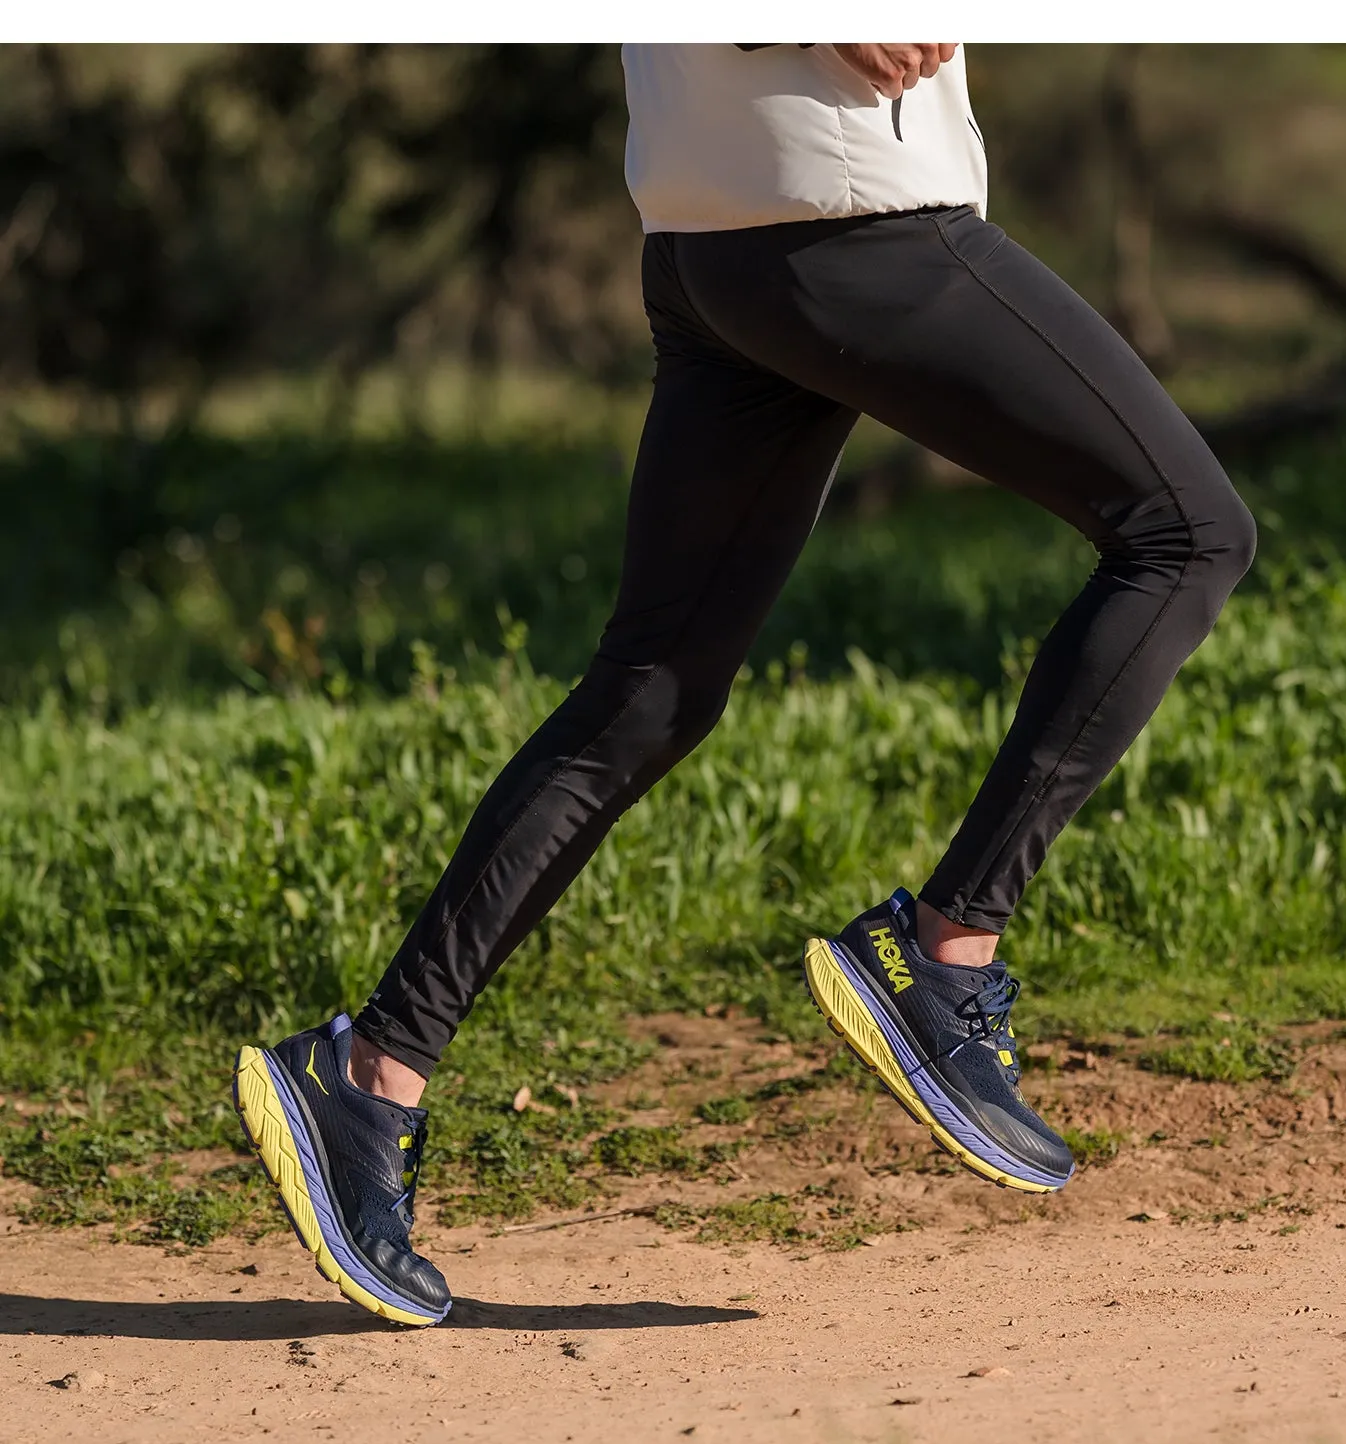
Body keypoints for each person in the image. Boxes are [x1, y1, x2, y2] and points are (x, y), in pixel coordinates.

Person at [232, 43, 1256, 1327]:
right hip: (850, 216)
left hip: (714, 242)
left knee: (652, 690)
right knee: (1188, 533)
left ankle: (371, 1076)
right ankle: (943, 953)